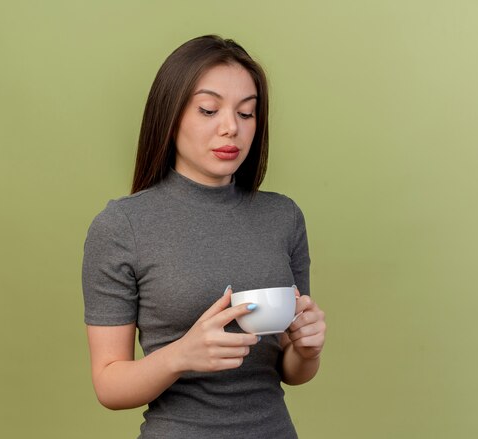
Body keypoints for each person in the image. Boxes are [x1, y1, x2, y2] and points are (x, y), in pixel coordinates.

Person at [82, 35, 326, 439]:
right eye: (209, 109)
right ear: (171, 114)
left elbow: (290, 371)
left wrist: (307, 350)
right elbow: (109, 384)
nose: (231, 127)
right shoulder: (121, 227)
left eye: (246, 114)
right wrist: (181, 355)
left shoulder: (283, 217)